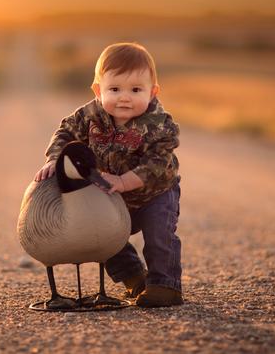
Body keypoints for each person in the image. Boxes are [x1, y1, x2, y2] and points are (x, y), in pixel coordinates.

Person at [34, 42, 183, 307]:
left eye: (136, 90)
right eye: (114, 89)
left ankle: (165, 284)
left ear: (153, 92)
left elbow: (159, 162)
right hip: (111, 193)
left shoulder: (159, 123)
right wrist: (55, 158)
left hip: (154, 194)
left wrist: (126, 181)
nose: (124, 97)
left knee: (159, 236)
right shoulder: (89, 115)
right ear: (98, 90)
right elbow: (65, 134)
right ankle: (134, 278)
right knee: (105, 236)